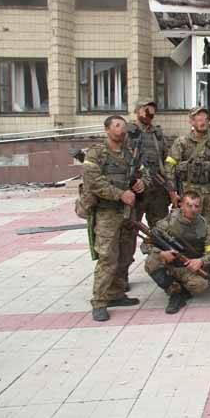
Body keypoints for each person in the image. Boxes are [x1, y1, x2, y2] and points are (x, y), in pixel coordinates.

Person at [82, 115, 148, 322]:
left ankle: (116, 293)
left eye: (123, 126)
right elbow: (94, 182)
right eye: (117, 125)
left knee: (126, 254)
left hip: (128, 212)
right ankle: (100, 301)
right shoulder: (96, 152)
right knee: (107, 257)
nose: (122, 129)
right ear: (107, 129)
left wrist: (141, 184)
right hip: (107, 212)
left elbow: (144, 172)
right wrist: (119, 194)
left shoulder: (130, 152)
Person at [142, 191, 210, 314]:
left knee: (201, 285)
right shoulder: (167, 223)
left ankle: (182, 289)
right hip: (171, 265)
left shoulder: (204, 226)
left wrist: (200, 261)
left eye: (197, 206)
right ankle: (175, 292)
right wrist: (162, 254)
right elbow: (145, 245)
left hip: (189, 267)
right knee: (151, 261)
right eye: (189, 205)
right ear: (181, 205)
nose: (193, 210)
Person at [164, 107, 210, 234]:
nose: (202, 122)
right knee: (188, 226)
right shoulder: (181, 142)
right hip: (190, 190)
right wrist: (172, 192)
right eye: (198, 119)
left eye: (205, 119)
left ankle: (209, 252)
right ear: (192, 122)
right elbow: (170, 168)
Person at [126, 99, 170, 234]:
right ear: (138, 111)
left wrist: (170, 186)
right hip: (137, 188)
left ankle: (157, 254)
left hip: (157, 188)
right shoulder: (128, 131)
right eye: (146, 110)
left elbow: (166, 159)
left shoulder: (157, 133)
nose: (150, 114)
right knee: (131, 229)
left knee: (161, 229)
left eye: (152, 111)